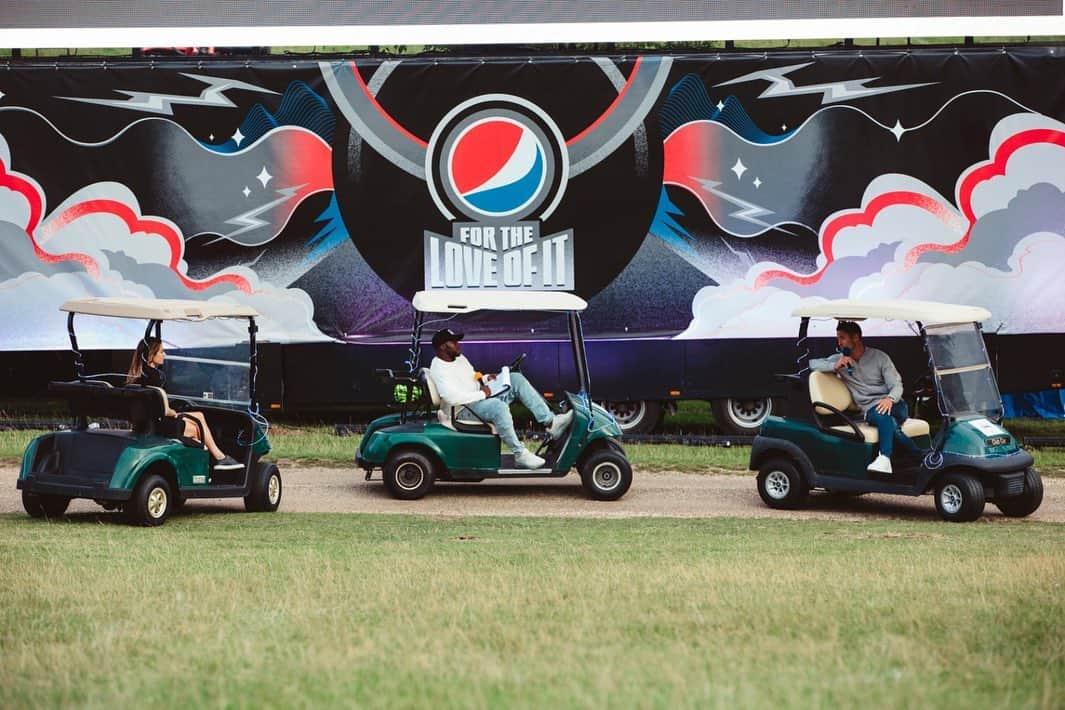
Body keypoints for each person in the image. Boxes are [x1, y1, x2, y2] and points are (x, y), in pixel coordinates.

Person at [428, 328, 574, 469]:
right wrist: (483, 394)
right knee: (498, 407)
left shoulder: (459, 359)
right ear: (443, 347)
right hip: (461, 409)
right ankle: (520, 454)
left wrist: (486, 379)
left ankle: (551, 422)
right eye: (453, 342)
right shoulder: (439, 369)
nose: (458, 344)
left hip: (478, 399)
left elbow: (472, 377)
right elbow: (452, 397)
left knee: (515, 378)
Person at [810, 321, 924, 474]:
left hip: (895, 404)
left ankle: (885, 457)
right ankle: (921, 459)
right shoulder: (840, 359)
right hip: (870, 409)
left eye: (842, 338)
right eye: (838, 338)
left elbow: (897, 386)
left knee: (886, 415)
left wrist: (889, 399)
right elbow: (812, 364)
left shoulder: (880, 357)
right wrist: (834, 366)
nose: (839, 342)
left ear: (856, 337)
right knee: (890, 425)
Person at [126, 337, 242, 470]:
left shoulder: (137, 378)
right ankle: (216, 460)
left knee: (199, 415)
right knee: (196, 429)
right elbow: (163, 410)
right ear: (151, 355)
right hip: (159, 426)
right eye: (161, 352)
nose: (165, 355)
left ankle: (216, 459)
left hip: (145, 423)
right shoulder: (154, 377)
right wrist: (173, 412)